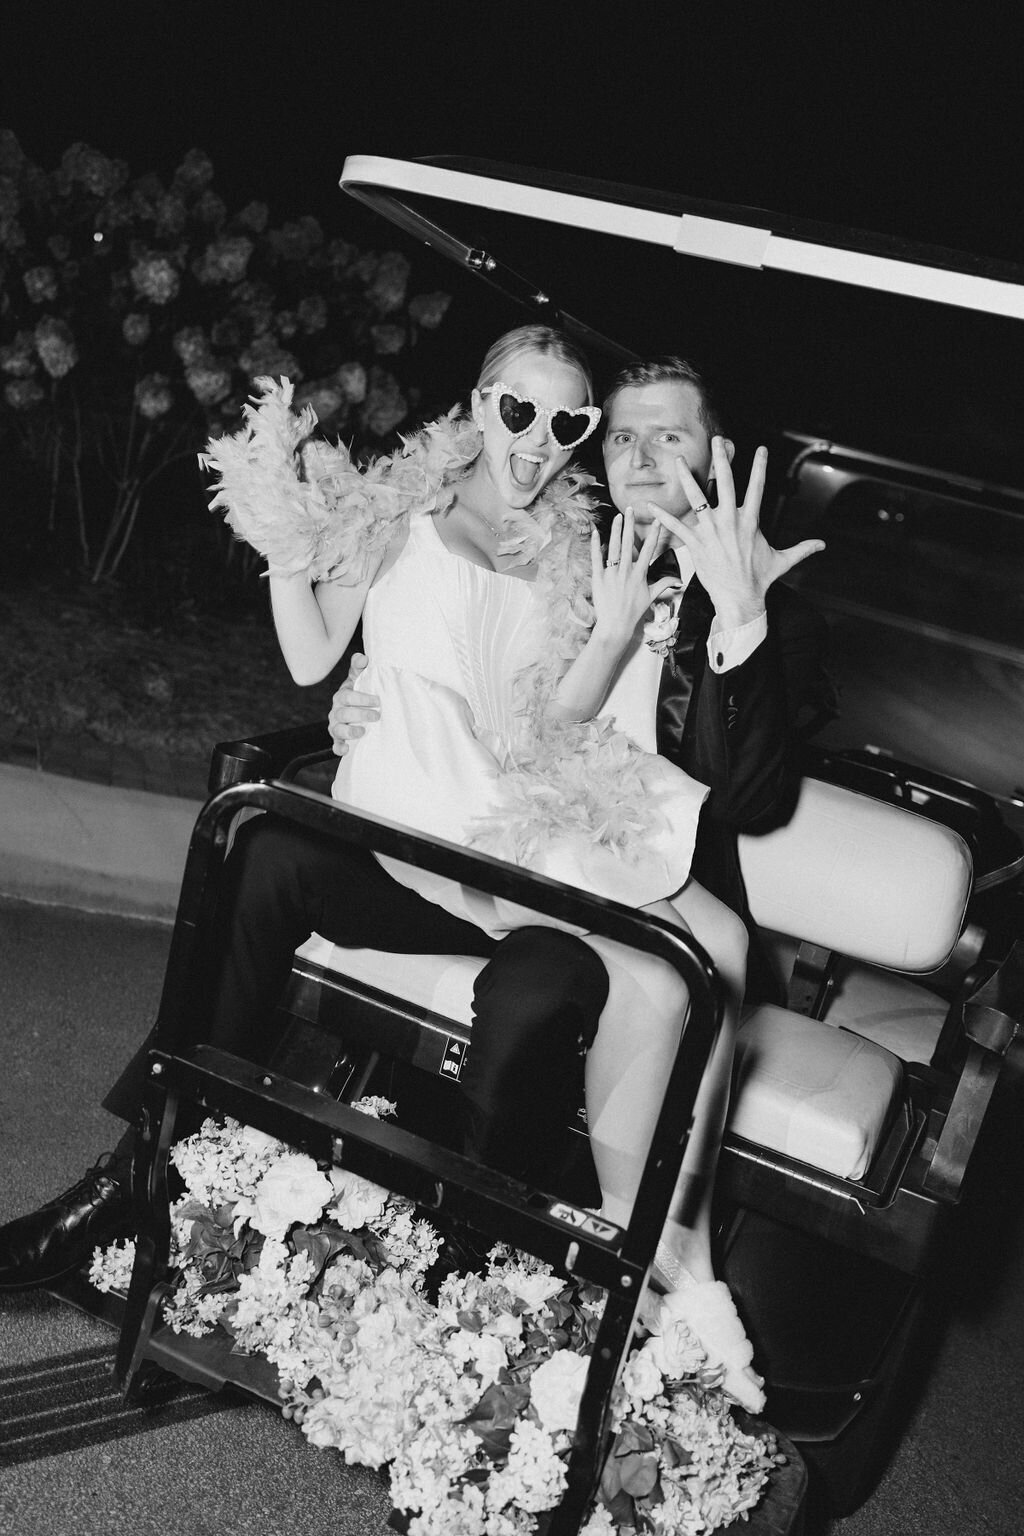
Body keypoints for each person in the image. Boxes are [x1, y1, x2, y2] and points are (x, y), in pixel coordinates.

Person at [0, 339, 830, 1410]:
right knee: (258, 848)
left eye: (587, 428)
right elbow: (400, 667)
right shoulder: (490, 528)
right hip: (455, 839)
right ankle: (142, 1174)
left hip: (575, 865)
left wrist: (730, 617)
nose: (561, 446)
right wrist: (360, 678)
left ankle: (496, 1289)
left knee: (606, 975)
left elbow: (685, 766)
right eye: (605, 431)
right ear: (480, 406)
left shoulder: (651, 563)